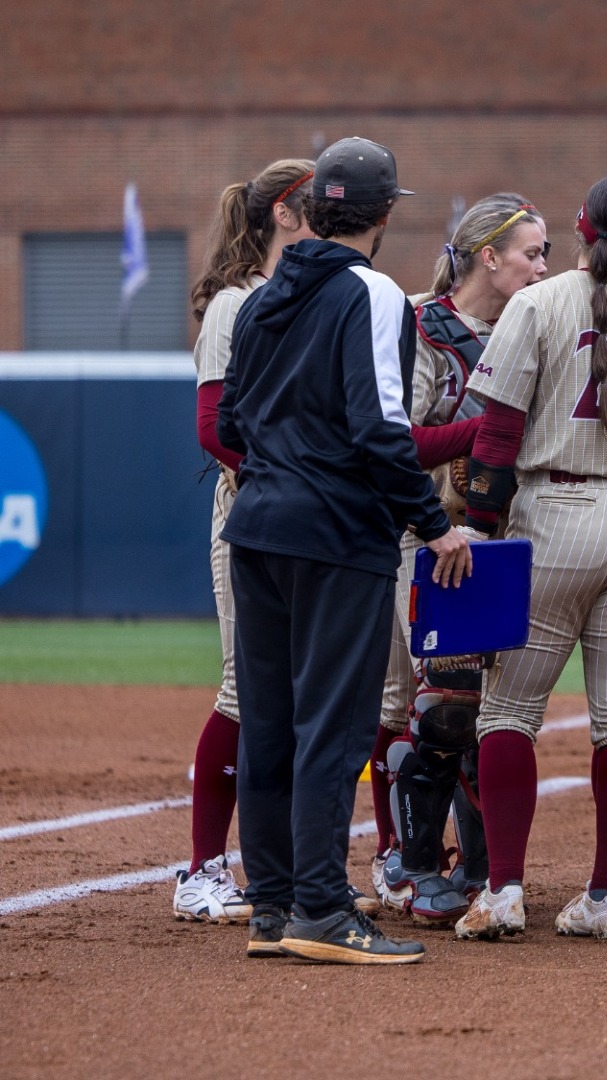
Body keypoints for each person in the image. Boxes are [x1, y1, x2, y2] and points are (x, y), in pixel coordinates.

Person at [218, 136, 471, 964]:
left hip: (256, 526)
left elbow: (229, 426)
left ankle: (275, 907)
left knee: (270, 724)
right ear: (385, 213)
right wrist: (435, 528)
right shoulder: (372, 292)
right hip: (334, 536)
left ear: (314, 208)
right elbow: (380, 426)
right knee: (333, 722)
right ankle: (323, 912)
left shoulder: (259, 298)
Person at [451, 176, 607, 942]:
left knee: (508, 712)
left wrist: (481, 527)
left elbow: (495, 433)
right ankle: (606, 898)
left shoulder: (537, 302)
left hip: (553, 513)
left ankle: (507, 891)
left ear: (583, 230)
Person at [371, 193, 548, 925]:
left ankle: (481, 868)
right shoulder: (421, 326)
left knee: (489, 715)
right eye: (532, 253)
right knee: (442, 711)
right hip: (432, 536)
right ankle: (411, 866)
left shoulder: (541, 325)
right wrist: (487, 431)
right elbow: (398, 440)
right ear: (487, 256)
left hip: (504, 540)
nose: (545, 267)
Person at [178, 157, 314, 925]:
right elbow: (211, 427)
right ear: (287, 215)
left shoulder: (305, 293)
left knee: (303, 694)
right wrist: (288, 479)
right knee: (244, 690)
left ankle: (290, 866)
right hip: (254, 517)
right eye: (315, 200)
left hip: (301, 518)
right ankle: (201, 869)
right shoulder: (237, 303)